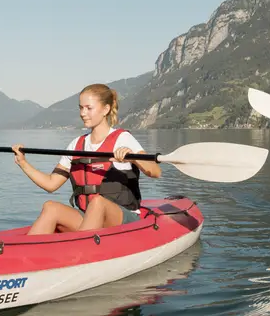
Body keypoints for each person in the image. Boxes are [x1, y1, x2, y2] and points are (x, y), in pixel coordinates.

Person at [11, 83, 161, 235]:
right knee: (51, 207)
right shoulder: (76, 145)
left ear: (106, 109)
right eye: (81, 108)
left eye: (89, 108)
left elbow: (155, 171)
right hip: (89, 219)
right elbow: (51, 184)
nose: (83, 113)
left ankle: (78, 251)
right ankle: (27, 254)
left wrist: (133, 158)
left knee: (98, 203)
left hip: (125, 220)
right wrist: (23, 163)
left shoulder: (123, 139)